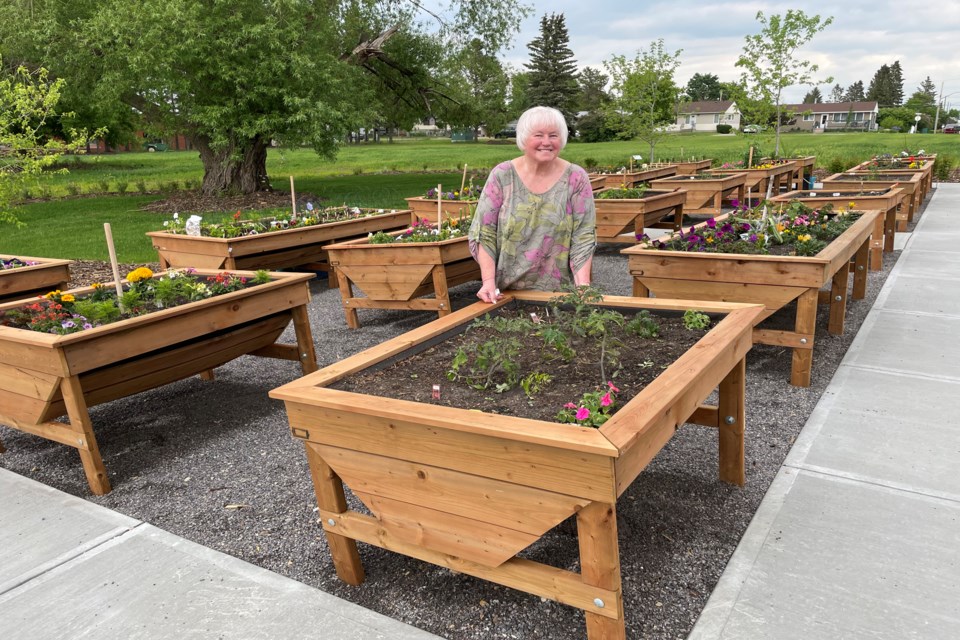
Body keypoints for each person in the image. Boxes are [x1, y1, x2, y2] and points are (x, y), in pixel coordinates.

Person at [468, 106, 596, 303]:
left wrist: (583, 288)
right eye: (539, 135)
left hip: (560, 294)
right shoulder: (502, 175)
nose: (546, 142)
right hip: (506, 292)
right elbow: (484, 232)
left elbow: (584, 235)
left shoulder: (576, 178)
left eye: (553, 135)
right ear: (523, 139)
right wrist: (488, 281)